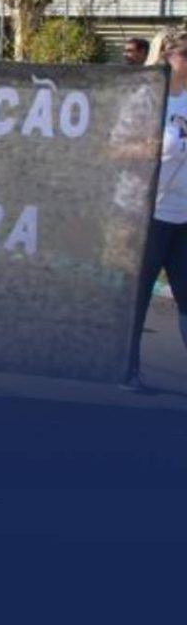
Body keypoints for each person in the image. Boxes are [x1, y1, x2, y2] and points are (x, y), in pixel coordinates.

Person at [123, 27, 187, 391]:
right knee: (138, 296)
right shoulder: (147, 99)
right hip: (149, 215)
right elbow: (112, 150)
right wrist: (154, 150)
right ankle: (127, 368)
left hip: (184, 215)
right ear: (168, 57)